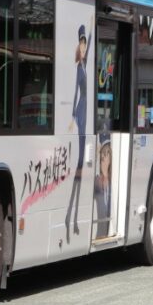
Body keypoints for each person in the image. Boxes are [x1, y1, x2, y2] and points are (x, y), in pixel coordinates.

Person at [65, 24, 91, 242]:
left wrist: (89, 25)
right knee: (80, 164)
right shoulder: (78, 68)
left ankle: (72, 218)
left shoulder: (85, 63)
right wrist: (73, 119)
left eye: (85, 45)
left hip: (84, 114)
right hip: (81, 116)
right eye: (81, 45)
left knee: (81, 166)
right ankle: (70, 217)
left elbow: (91, 39)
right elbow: (74, 94)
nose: (83, 48)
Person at [94, 138, 112, 239]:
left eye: (106, 154)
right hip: (99, 234)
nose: (103, 157)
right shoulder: (97, 181)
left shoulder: (113, 183)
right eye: (102, 154)